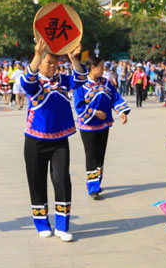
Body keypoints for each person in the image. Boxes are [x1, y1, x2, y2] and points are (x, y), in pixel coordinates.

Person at [21, 39, 87, 241]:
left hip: (60, 141)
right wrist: (37, 55)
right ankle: (41, 223)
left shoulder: (63, 80)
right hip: (35, 140)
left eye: (55, 62)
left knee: (61, 180)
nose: (52, 66)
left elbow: (82, 79)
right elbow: (26, 83)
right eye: (48, 62)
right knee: (37, 182)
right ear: (40, 63)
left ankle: (62, 226)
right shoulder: (36, 82)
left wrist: (74, 59)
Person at [73, 56, 130, 200]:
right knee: (91, 155)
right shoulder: (81, 84)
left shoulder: (106, 83)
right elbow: (79, 106)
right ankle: (93, 187)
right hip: (88, 126)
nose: (104, 69)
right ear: (93, 67)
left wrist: (121, 111)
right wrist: (95, 112)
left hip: (104, 125)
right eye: (101, 66)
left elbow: (115, 97)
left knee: (100, 155)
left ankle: (97, 181)